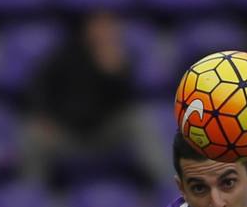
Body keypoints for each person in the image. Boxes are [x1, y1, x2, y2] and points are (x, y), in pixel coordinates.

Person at [22, 10, 171, 185]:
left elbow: (126, 101)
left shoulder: (121, 59)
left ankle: (167, 183)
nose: (104, 31)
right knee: (33, 135)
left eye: (109, 27)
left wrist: (114, 73)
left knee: (139, 120)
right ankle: (31, 193)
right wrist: (44, 115)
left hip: (105, 132)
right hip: (66, 132)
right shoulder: (64, 55)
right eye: (99, 26)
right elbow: (39, 87)